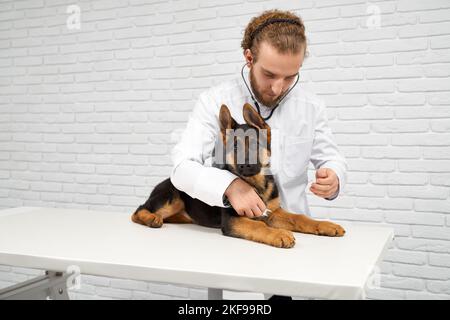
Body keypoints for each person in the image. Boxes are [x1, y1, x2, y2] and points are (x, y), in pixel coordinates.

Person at [169, 9, 348, 300]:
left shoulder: (311, 107)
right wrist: (229, 185)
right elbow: (181, 167)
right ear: (249, 57)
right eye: (269, 74)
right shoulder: (214, 100)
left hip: (293, 235)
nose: (278, 88)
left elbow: (332, 158)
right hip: (236, 240)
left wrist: (334, 176)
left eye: (290, 76)